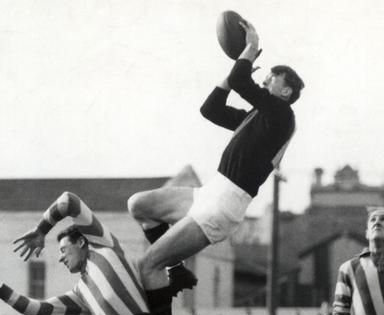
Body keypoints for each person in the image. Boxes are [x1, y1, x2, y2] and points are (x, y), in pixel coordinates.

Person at [126, 19, 304, 293]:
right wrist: (233, 75)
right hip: (210, 192)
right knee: (138, 205)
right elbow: (210, 109)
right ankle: (177, 270)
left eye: (272, 78)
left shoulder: (282, 114)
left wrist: (251, 47)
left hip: (224, 204)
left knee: (147, 264)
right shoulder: (255, 117)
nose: (265, 78)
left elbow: (240, 80)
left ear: (285, 91)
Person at [0, 191, 181, 315]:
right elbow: (38, 311)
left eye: (64, 249)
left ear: (82, 242)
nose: (60, 258)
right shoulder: (81, 291)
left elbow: (69, 200)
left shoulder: (104, 246)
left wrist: (42, 229)